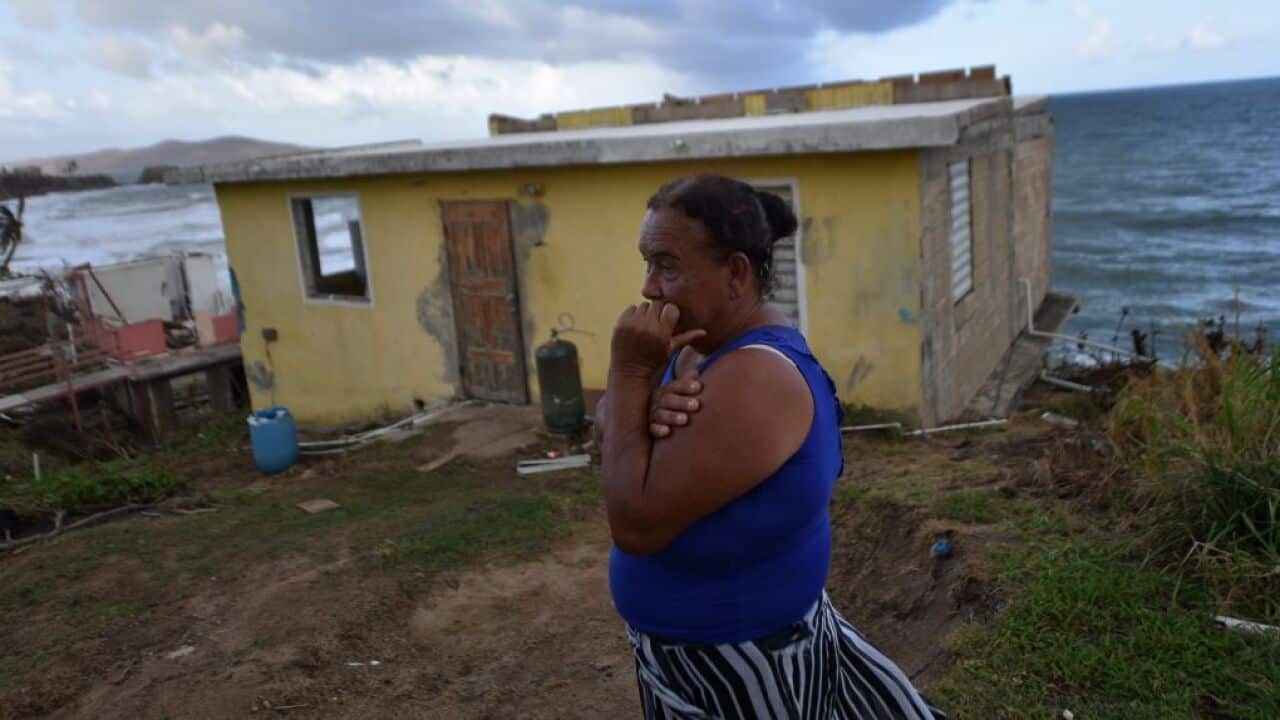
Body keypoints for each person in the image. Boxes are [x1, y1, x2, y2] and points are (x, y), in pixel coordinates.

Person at [597, 174, 945, 719]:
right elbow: (613, 432)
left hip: (745, 668)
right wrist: (635, 401)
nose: (648, 288)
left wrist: (628, 376)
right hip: (699, 661)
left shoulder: (755, 377)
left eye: (666, 265)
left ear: (735, 273)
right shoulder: (693, 350)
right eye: (647, 264)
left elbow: (635, 525)